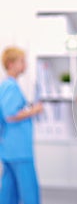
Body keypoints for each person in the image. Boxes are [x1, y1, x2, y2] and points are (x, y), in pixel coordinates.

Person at [0, 46, 43, 204]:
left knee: (8, 193)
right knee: (29, 192)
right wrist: (35, 110)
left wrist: (28, 108)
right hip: (19, 150)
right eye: (21, 61)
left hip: (9, 149)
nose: (25, 65)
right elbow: (10, 115)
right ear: (11, 64)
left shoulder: (7, 86)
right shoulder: (10, 86)